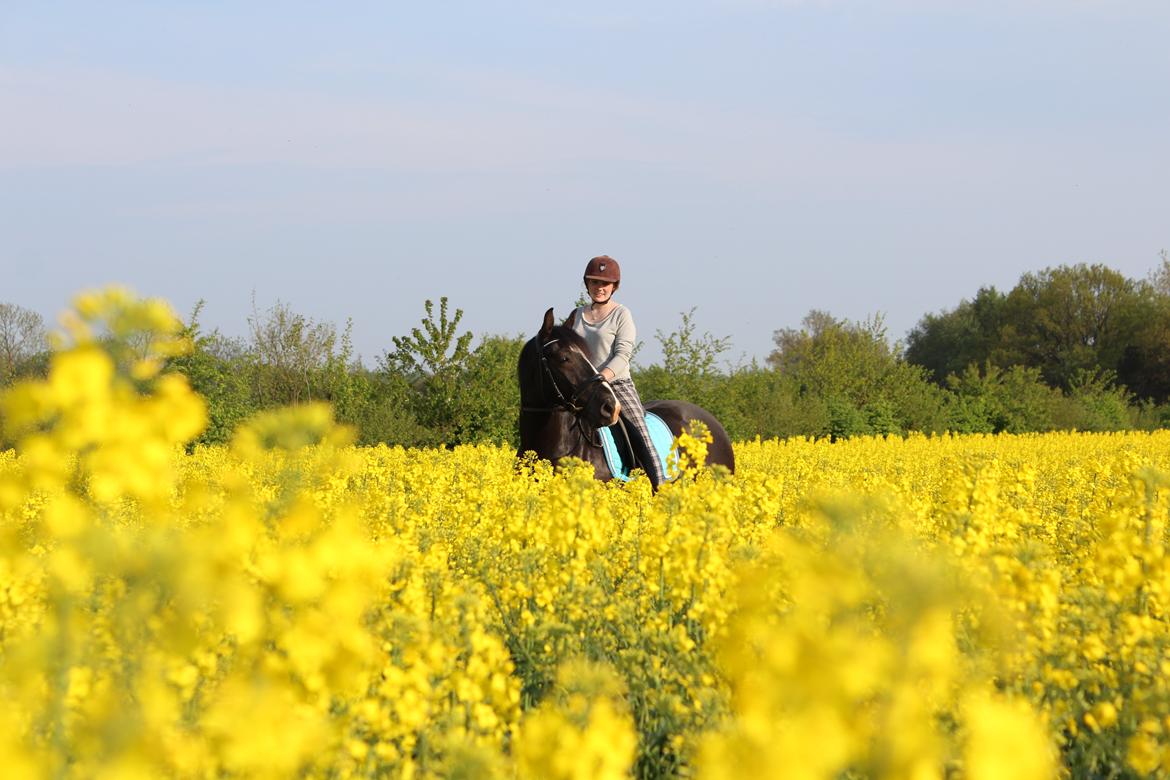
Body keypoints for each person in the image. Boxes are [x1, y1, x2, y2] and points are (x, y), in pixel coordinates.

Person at [569, 255, 667, 489]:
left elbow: (623, 356)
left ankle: (659, 486)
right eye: (594, 282)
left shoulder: (621, 315)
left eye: (605, 284)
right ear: (587, 285)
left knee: (639, 430)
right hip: (582, 389)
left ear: (614, 287)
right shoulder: (576, 316)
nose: (599, 288)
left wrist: (601, 378)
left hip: (616, 384)